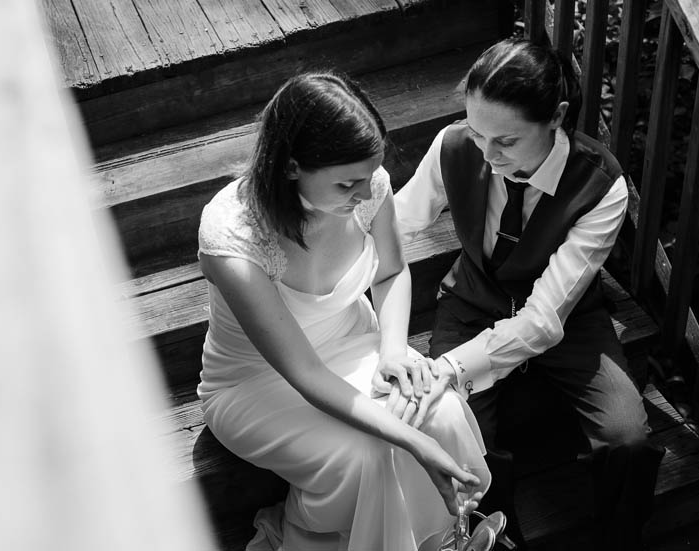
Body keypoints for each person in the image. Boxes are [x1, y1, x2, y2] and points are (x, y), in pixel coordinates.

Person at [197, 72, 492, 551]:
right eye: (346, 184)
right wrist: (412, 441)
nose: (365, 193)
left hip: (358, 343)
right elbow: (304, 372)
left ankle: (444, 540)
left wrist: (394, 350)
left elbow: (392, 273)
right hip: (257, 383)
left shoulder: (369, 186)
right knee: (369, 455)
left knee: (440, 410)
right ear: (292, 167)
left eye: (368, 175)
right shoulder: (231, 238)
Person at [394, 38, 664, 551]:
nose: (487, 154)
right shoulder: (456, 145)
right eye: (477, 133)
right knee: (461, 426)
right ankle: (495, 541)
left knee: (628, 438)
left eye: (506, 141)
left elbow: (543, 321)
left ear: (556, 117)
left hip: (566, 315)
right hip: (474, 299)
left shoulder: (601, 185)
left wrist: (453, 367)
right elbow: (398, 221)